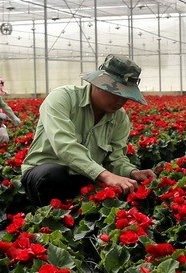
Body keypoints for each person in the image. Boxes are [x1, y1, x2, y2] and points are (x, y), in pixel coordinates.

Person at [20, 54, 156, 206]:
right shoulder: (62, 98)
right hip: (44, 173)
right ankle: (45, 216)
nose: (120, 101)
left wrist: (132, 172)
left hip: (85, 176)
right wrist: (105, 175)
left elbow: (116, 159)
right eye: (116, 93)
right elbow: (64, 146)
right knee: (52, 175)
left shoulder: (120, 118)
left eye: (126, 96)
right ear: (98, 84)